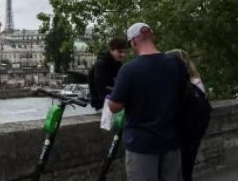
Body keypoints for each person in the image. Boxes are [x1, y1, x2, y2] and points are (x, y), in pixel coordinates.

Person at [108, 23, 188, 181]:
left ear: (133, 42)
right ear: (151, 37)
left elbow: (114, 106)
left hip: (142, 144)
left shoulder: (129, 69)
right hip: (171, 140)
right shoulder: (175, 64)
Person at [167, 49, 211, 181]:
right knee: (186, 170)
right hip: (194, 133)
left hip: (182, 134)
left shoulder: (182, 86)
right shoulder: (196, 83)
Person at [88, 36, 128, 111]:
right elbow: (101, 89)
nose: (123, 55)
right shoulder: (100, 64)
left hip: (113, 104)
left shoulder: (119, 65)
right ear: (111, 50)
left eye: (124, 52)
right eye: (120, 51)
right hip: (102, 106)